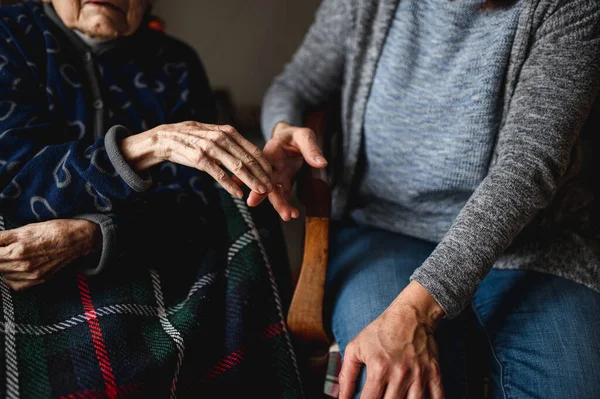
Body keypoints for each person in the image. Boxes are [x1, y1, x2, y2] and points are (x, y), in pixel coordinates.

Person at [255, 0, 600, 398]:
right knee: (390, 385)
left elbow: (528, 166)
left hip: (531, 243)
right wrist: (283, 129)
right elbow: (295, 84)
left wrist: (416, 309)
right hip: (383, 231)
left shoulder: (571, 7)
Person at [0, 0, 304, 397]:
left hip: (147, 260)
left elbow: (194, 203)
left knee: (241, 207)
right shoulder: (10, 32)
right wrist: (147, 145)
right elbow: (15, 181)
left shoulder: (175, 61)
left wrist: (94, 234)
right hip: (23, 262)